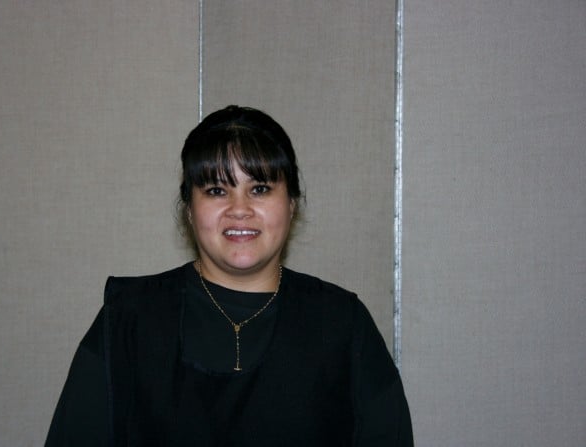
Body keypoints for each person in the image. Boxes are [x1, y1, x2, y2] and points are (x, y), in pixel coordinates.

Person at [46, 105, 413, 446]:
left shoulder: (342, 325)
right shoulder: (126, 320)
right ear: (190, 209)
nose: (240, 209)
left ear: (291, 203)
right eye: (217, 190)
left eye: (260, 188)